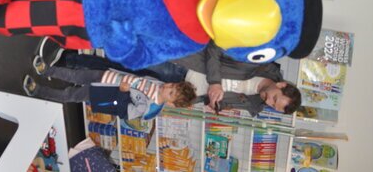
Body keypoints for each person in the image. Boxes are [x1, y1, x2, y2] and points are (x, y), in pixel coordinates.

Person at [36, 39, 300, 117]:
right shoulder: (260, 60)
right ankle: (73, 44)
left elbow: (219, 101)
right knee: (126, 56)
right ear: (282, 85)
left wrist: (212, 103)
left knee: (115, 76)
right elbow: (216, 46)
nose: (268, 102)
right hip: (181, 66)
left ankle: (68, 60)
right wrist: (215, 81)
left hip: (174, 91)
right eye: (274, 98)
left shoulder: (253, 104)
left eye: (272, 106)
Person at [22, 64, 196, 121]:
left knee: (70, 95)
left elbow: (124, 112)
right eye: (172, 85)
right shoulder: (159, 84)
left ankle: (37, 90)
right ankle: (46, 70)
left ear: (170, 103)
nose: (167, 87)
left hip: (104, 95)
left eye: (171, 93)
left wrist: (122, 93)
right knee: (75, 74)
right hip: (106, 76)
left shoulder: (149, 108)